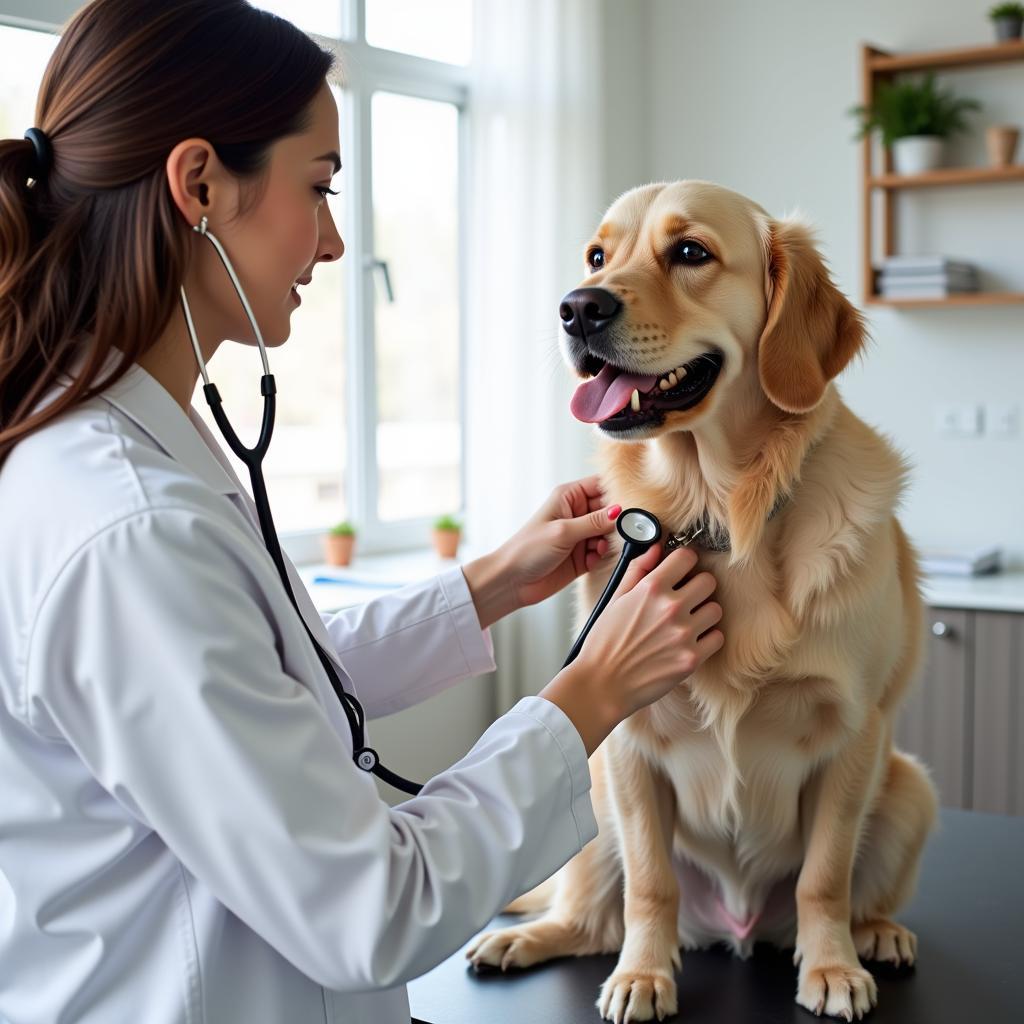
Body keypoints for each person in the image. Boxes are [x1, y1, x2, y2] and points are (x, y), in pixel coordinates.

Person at [0, 2, 725, 1022]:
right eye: (319, 187)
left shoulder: (132, 449)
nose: (335, 241)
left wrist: (489, 585)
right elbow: (369, 909)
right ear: (199, 182)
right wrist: (594, 690)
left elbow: (265, 684)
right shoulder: (127, 526)